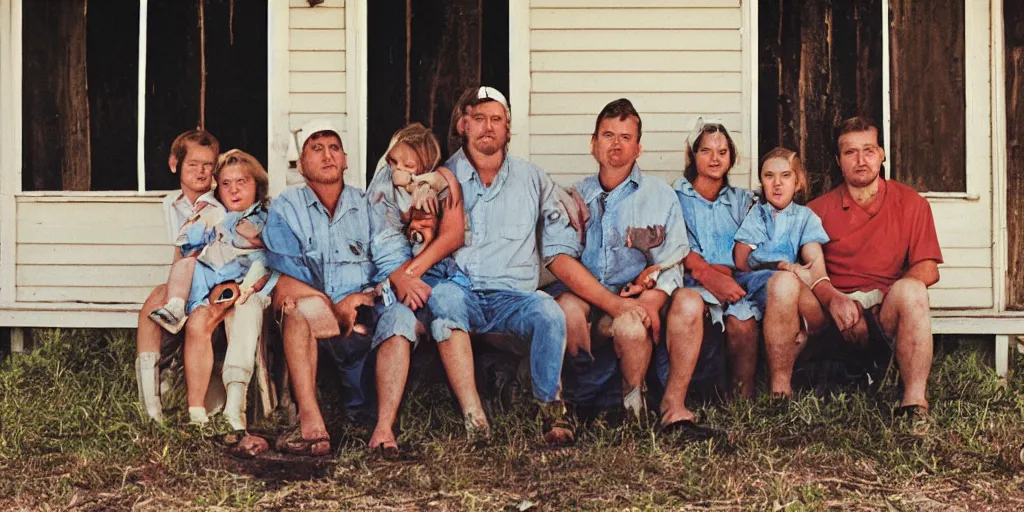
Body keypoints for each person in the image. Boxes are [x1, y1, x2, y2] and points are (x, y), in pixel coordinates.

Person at [425, 86, 597, 445]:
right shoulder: (441, 178)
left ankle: (551, 411)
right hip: (463, 290)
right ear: (463, 124)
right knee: (444, 302)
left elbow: (559, 230)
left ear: (508, 130)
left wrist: (571, 206)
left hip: (514, 296)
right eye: (479, 119)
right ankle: (475, 418)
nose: (488, 127)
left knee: (549, 313)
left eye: (497, 120)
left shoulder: (533, 179)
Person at [767, 117, 941, 426]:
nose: (861, 161)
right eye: (850, 153)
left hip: (882, 311)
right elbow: (803, 268)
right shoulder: (817, 210)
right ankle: (780, 396)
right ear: (838, 160)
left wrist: (871, 308)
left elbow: (927, 268)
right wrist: (835, 301)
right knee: (782, 281)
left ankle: (914, 404)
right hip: (828, 311)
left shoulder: (912, 203)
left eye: (869, 150)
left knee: (913, 289)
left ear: (882, 154)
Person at [263, 119, 420, 457]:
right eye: (316, 149)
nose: (327, 155)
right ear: (301, 164)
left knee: (399, 318)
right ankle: (311, 423)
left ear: (346, 159)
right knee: (295, 309)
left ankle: (383, 429)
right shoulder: (285, 208)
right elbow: (287, 276)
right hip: (316, 319)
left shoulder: (369, 205)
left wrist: (369, 296)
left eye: (334, 147)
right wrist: (334, 307)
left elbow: (393, 264)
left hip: (362, 317)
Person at [547, 98, 700, 427]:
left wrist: (647, 301)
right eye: (608, 135)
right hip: (587, 295)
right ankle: (571, 406)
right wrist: (614, 305)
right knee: (565, 311)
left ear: (639, 148)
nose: (616, 144)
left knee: (633, 327)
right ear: (593, 144)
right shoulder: (573, 197)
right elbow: (558, 259)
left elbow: (671, 262)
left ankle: (635, 407)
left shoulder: (660, 195)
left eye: (626, 137)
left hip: (637, 292)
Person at [170, 149, 277, 430]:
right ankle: (197, 410)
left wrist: (245, 283)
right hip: (213, 287)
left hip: (251, 289)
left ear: (257, 185)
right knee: (197, 322)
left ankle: (235, 407)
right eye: (226, 183)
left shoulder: (268, 216)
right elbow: (188, 244)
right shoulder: (215, 216)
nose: (234, 190)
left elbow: (275, 258)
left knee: (242, 309)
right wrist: (203, 217)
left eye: (242, 181)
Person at [136, 129, 221, 423]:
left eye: (208, 165)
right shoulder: (171, 204)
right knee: (152, 304)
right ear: (175, 164)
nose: (201, 171)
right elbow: (179, 255)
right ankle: (151, 406)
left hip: (214, 280)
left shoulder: (220, 201)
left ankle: (185, 381)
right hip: (185, 280)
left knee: (173, 299)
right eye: (193, 164)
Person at [671, 118, 760, 398]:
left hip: (733, 280)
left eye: (722, 152)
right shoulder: (674, 197)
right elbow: (676, 247)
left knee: (743, 322)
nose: (714, 158)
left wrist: (725, 276)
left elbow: (753, 245)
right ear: (692, 155)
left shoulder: (741, 201)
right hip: (691, 281)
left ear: (732, 158)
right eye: (706, 151)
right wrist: (710, 276)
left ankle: (741, 402)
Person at [733, 148, 831, 375]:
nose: (777, 183)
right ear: (761, 182)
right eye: (769, 176)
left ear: (798, 183)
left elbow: (814, 263)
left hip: (790, 283)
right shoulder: (759, 214)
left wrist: (800, 273)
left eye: (785, 175)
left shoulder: (804, 216)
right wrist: (779, 266)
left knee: (798, 287)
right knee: (789, 282)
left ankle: (812, 339)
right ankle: (816, 338)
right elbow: (741, 259)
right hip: (757, 279)